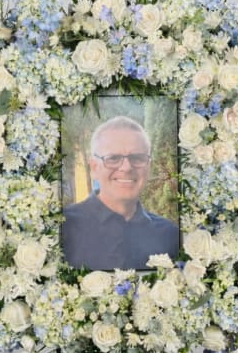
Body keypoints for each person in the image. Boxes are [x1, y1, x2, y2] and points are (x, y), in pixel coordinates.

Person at [62, 115, 179, 270]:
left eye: (137, 158)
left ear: (149, 167)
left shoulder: (170, 236)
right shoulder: (63, 228)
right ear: (94, 168)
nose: (126, 167)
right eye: (113, 158)